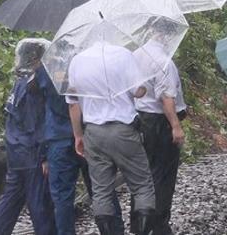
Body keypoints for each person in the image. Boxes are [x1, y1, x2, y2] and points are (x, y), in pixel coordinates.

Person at [67, 42, 158, 235]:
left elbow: (73, 104)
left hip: (93, 132)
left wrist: (78, 135)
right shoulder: (123, 55)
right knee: (142, 186)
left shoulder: (77, 61)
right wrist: (143, 84)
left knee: (101, 192)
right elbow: (139, 91)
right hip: (123, 130)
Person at [36, 57, 122, 235]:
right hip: (91, 133)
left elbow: (40, 112)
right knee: (102, 190)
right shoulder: (91, 63)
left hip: (58, 138)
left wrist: (43, 154)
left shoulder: (45, 68)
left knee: (62, 198)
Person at [0, 39, 57, 235]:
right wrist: (45, 156)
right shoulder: (33, 87)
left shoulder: (19, 83)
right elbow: (36, 125)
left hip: (16, 150)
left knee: (11, 200)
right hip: (31, 152)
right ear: (37, 58)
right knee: (39, 203)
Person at [132, 42, 186, 235]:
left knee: (142, 175)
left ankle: (139, 222)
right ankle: (159, 225)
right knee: (162, 176)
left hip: (140, 118)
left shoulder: (135, 54)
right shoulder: (163, 62)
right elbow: (165, 97)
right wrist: (176, 126)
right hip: (160, 122)